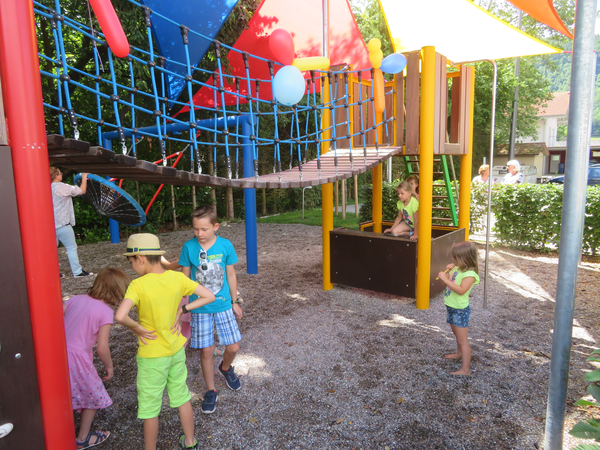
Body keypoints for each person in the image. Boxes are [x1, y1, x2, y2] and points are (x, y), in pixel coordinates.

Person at [115, 233, 215, 450]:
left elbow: (120, 316)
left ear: (140, 258)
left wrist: (138, 328)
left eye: (131, 262)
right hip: (175, 349)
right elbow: (209, 296)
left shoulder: (138, 285)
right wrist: (182, 309)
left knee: (150, 408)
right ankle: (190, 442)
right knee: (181, 395)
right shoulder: (177, 278)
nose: (132, 267)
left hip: (152, 355)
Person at [177, 206, 243, 414]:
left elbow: (231, 275)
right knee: (206, 350)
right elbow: (184, 279)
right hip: (200, 308)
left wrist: (235, 300)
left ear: (215, 226)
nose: (199, 234)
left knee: (233, 348)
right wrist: (181, 304)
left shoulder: (225, 245)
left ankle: (225, 368)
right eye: (196, 229)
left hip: (223, 304)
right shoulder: (188, 247)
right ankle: (210, 390)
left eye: (204, 229)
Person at [64, 267, 131, 449]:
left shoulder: (76, 299)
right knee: (93, 393)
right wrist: (109, 366)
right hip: (77, 358)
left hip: (58, 351)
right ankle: (82, 438)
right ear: (118, 292)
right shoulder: (105, 312)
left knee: (63, 390)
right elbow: (102, 347)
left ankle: (62, 429)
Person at [437, 242, 480, 376]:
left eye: (454, 257)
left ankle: (465, 370)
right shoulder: (457, 269)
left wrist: (446, 279)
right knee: (456, 334)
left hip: (460, 310)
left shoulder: (470, 275)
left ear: (463, 258)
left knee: (463, 340)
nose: (452, 259)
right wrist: (447, 273)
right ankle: (459, 354)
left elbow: (461, 290)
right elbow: (444, 283)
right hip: (451, 306)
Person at [50, 167, 93, 277]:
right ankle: (77, 272)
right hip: (62, 223)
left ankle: (53, 272)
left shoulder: (47, 188)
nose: (61, 174)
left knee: (51, 250)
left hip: (50, 224)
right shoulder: (62, 187)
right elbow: (81, 191)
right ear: (56, 175)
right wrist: (84, 177)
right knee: (71, 247)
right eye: (60, 173)